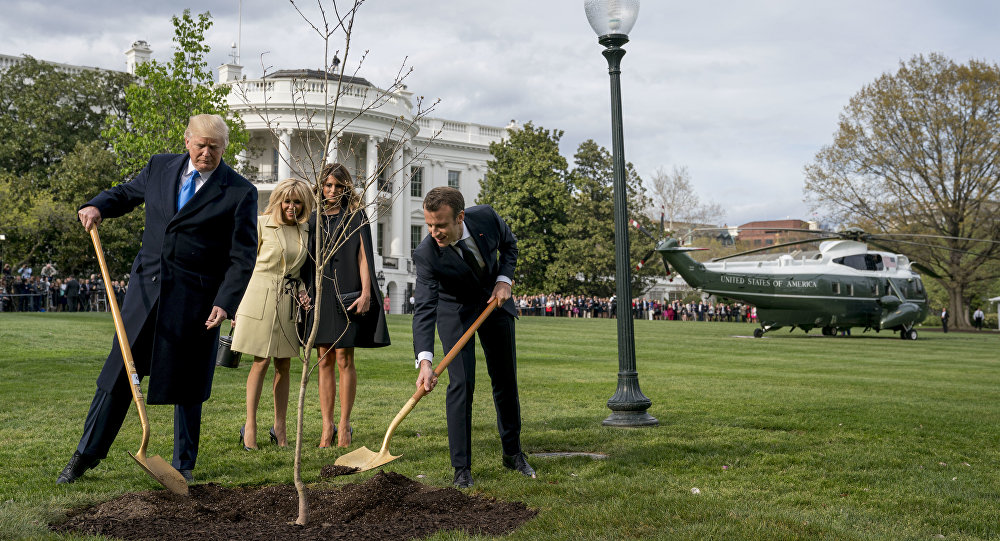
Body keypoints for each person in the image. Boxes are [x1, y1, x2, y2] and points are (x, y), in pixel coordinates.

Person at [57, 114, 258, 485]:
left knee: (189, 385)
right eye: (201, 145)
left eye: (215, 147)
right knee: (118, 376)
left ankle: (183, 466)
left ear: (224, 148)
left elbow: (243, 257)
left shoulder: (240, 191)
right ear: (187, 141)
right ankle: (84, 456)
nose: (207, 153)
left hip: (196, 303)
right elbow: (125, 193)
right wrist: (98, 205)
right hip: (145, 293)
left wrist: (225, 301)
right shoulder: (159, 166)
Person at [413, 186, 535, 489]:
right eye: (429, 224)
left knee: (505, 380)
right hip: (454, 310)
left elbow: (510, 245)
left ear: (461, 217)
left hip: (495, 302)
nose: (434, 232)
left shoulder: (487, 218)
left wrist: (504, 280)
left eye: (440, 224)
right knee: (462, 383)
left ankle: (513, 453)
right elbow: (425, 308)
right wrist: (425, 361)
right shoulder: (427, 253)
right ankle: (462, 468)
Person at [300, 163, 389, 448]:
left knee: (344, 359)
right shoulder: (311, 218)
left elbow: (364, 256)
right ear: (321, 186)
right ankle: (327, 427)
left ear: (346, 188)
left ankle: (346, 425)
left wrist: (366, 293)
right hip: (320, 293)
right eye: (328, 185)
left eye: (339, 186)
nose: (333, 191)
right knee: (323, 359)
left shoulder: (356, 216)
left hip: (348, 292)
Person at [231, 178, 313, 449]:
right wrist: (234, 304)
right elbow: (243, 265)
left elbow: (298, 270)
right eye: (287, 201)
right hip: (258, 295)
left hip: (288, 299)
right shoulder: (260, 223)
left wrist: (302, 290)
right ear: (278, 200)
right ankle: (250, 426)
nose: (292, 206)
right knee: (261, 361)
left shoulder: (305, 230)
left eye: (298, 201)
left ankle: (280, 426)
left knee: (284, 364)